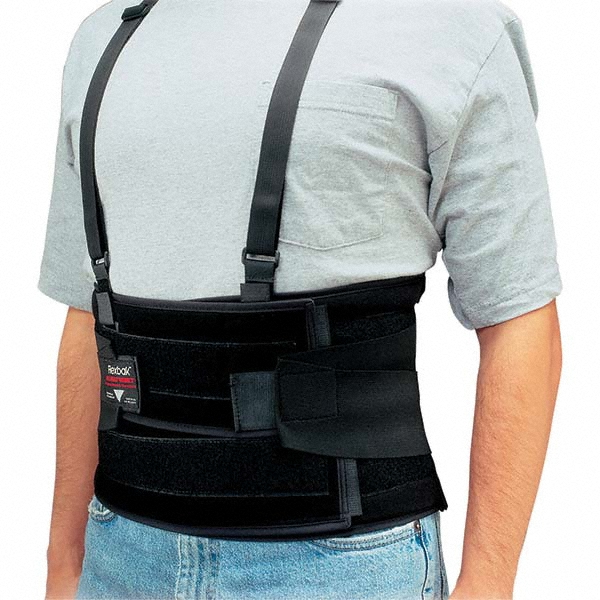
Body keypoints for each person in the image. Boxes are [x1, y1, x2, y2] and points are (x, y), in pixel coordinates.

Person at [37, 0, 562, 598]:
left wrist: (488, 583)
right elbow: (89, 318)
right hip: (117, 553)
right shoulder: (103, 41)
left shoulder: (447, 27)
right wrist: (63, 560)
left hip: (344, 567)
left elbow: (519, 317)